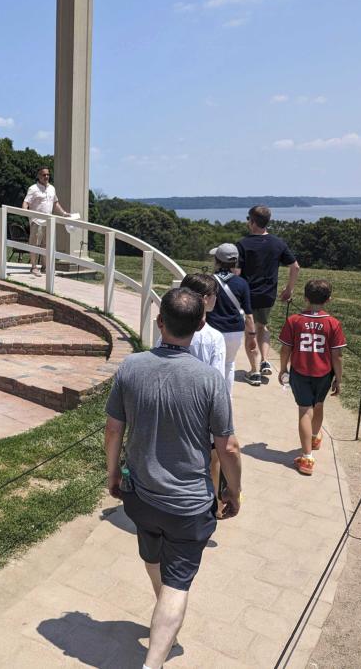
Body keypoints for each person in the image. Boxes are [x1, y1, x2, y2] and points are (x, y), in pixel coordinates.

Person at [106, 288, 242, 669]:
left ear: (160, 322)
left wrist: (113, 473)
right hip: (187, 505)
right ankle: (154, 660)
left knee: (152, 554)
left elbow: (113, 430)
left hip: (140, 496)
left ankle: (163, 605)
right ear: (200, 325)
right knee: (177, 582)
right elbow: (228, 447)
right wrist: (233, 490)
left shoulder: (131, 366)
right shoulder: (210, 380)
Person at [155, 274, 228, 511]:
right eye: (215, 295)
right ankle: (213, 504)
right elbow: (217, 378)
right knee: (212, 459)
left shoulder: (167, 331)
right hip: (202, 407)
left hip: (169, 402)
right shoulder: (214, 337)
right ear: (206, 299)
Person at [278, 279, 346, 476]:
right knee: (318, 405)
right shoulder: (333, 323)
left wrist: (283, 368)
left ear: (305, 298)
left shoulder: (294, 320)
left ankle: (307, 457)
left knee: (304, 411)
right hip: (324, 372)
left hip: (300, 371)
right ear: (329, 300)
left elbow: (285, 348)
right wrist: (339, 379)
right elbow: (337, 355)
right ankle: (314, 437)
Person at [237, 205, 301, 386]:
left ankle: (254, 371)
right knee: (262, 327)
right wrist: (289, 289)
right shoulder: (278, 243)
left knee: (250, 332)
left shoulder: (242, 244)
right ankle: (265, 359)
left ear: (252, 221)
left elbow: (236, 272)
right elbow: (295, 267)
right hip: (268, 295)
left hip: (247, 295)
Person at [205, 243, 255, 394]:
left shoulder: (208, 281)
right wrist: (252, 335)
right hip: (234, 332)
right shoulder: (242, 283)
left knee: (210, 366)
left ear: (217, 261)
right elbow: (248, 314)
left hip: (211, 329)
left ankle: (210, 398)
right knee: (229, 364)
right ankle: (227, 399)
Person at [21, 166, 69, 276]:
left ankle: (45, 267)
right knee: (34, 244)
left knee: (46, 245)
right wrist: (24, 211)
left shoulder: (52, 188)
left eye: (48, 174)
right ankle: (33, 267)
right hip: (36, 221)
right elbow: (26, 202)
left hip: (49, 221)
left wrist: (64, 213)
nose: (46, 176)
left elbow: (55, 203)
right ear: (38, 176)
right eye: (43, 175)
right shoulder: (33, 188)